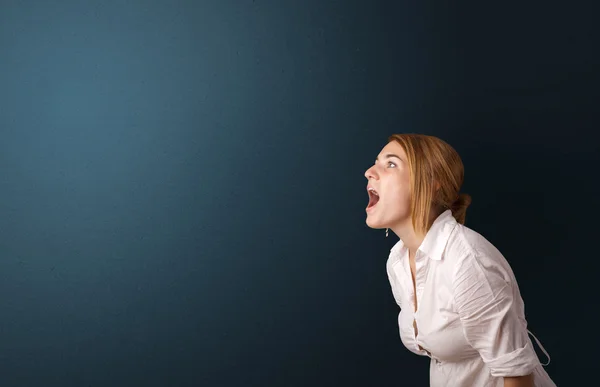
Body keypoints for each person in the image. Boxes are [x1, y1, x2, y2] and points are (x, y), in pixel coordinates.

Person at [364, 134, 555, 387]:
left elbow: (517, 376)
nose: (369, 172)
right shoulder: (397, 262)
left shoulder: (468, 262)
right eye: (376, 162)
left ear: (432, 182)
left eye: (391, 164)